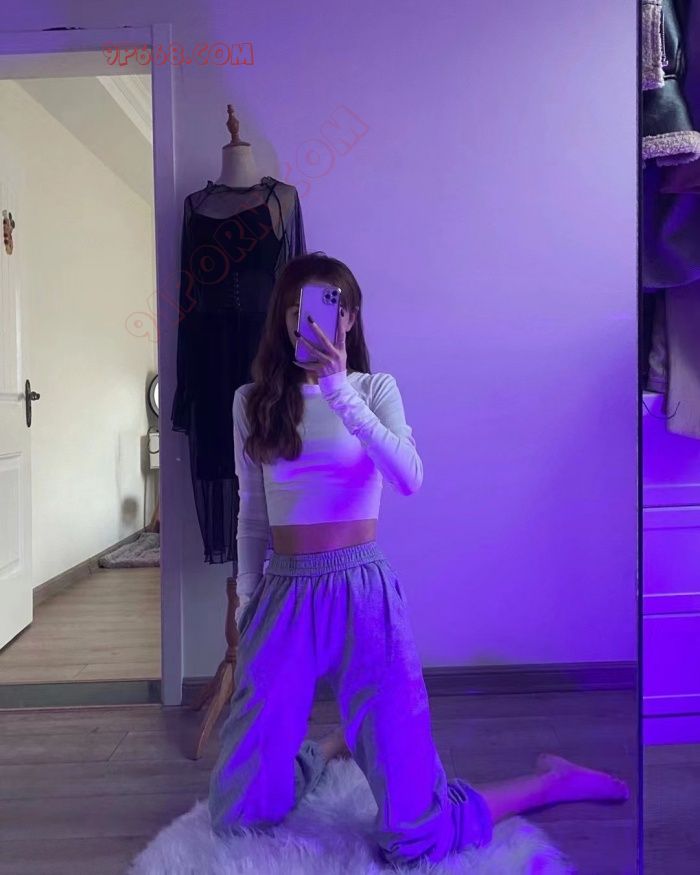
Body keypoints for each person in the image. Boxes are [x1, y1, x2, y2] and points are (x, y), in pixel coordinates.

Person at [208, 252, 630, 867]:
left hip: (362, 592)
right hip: (283, 594)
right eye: (296, 311)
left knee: (415, 833)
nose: (309, 322)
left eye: (324, 309)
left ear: (349, 318)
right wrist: (247, 602)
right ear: (283, 318)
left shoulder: (374, 390)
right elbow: (252, 514)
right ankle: (329, 748)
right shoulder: (253, 401)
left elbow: (408, 478)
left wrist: (338, 390)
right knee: (239, 814)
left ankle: (552, 781)